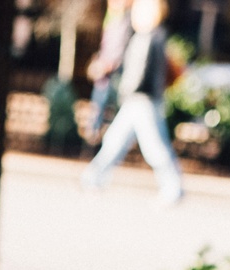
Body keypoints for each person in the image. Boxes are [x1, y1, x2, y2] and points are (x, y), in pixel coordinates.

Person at [79, 0, 184, 205]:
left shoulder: (151, 37)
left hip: (142, 99)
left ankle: (173, 189)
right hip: (137, 99)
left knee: (154, 147)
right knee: (115, 140)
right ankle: (93, 179)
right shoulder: (146, 37)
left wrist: (127, 90)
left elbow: (142, 73)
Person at [85, 0, 134, 143]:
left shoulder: (125, 22)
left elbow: (121, 50)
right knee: (98, 106)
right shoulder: (112, 19)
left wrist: (108, 65)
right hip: (103, 74)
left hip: (113, 73)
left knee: (110, 107)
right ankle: (95, 135)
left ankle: (106, 138)